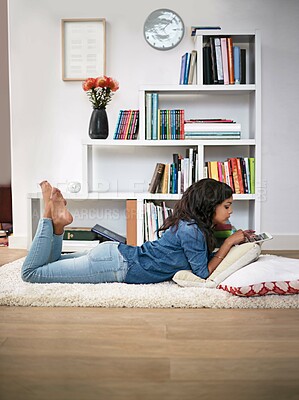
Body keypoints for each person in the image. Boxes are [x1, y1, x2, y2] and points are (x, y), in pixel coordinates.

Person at [22, 178, 253, 284]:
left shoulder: (190, 225)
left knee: (49, 265)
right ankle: (48, 215)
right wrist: (228, 243)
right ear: (209, 205)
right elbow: (203, 273)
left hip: (115, 256)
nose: (230, 211)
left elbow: (200, 262)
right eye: (227, 206)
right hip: (114, 265)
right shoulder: (192, 230)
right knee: (32, 273)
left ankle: (59, 225)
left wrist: (234, 241)